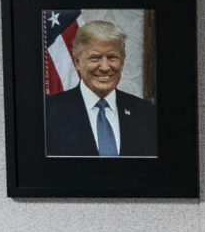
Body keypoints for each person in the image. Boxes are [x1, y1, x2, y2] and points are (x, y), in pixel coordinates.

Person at [43, 19, 157, 157]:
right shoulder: (48, 112)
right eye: (95, 58)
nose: (104, 67)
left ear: (122, 62)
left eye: (112, 57)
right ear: (77, 62)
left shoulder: (145, 112)